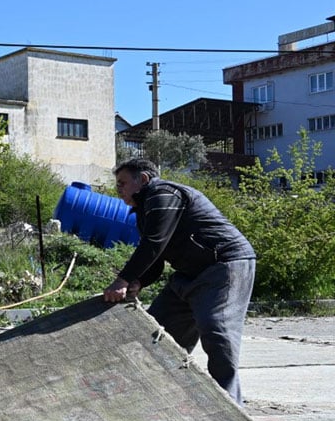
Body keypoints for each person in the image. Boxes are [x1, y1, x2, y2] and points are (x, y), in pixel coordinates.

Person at [103, 158, 256, 404]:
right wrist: (138, 282)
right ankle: (166, 403)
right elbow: (158, 258)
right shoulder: (145, 210)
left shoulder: (162, 194)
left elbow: (153, 244)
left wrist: (123, 281)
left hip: (224, 265)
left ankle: (232, 411)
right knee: (157, 333)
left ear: (142, 180)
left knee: (216, 331)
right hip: (188, 274)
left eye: (122, 183)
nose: (118, 189)